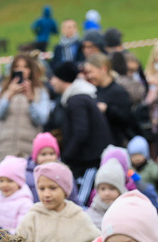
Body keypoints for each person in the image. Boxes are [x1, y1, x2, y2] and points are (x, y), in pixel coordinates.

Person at [46, 61, 111, 205]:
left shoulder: (77, 101)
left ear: (63, 79)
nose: (52, 82)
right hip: (85, 162)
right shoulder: (78, 98)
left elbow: (80, 132)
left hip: (88, 164)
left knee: (79, 203)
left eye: (54, 77)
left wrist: (66, 156)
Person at [0, 54, 50, 161]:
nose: (21, 70)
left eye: (25, 67)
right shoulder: (2, 89)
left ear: (31, 70)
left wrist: (30, 99)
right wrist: (9, 96)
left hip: (28, 150)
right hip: (5, 148)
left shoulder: (40, 91)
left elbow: (42, 119)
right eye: (17, 67)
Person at [84, 54, 134, 146]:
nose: (89, 76)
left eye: (91, 72)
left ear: (103, 69)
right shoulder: (94, 91)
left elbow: (126, 119)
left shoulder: (118, 92)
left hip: (117, 144)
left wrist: (107, 109)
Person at [0, 156, 33, 232]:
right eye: (1, 181)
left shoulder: (25, 203)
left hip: (14, 238)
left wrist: (4, 235)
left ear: (19, 183)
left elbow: (22, 229)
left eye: (10, 181)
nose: (4, 185)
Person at [87, 159, 126, 227]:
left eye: (112, 188)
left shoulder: (126, 211)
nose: (107, 193)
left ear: (120, 190)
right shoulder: (90, 214)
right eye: (103, 189)